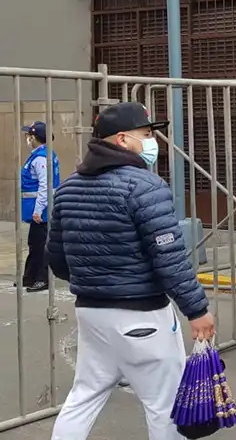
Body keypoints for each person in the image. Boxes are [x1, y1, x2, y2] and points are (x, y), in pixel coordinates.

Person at [47, 102, 215, 438]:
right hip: (141, 316)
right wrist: (197, 310)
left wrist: (94, 278)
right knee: (164, 404)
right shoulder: (144, 186)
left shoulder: (69, 186)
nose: (152, 141)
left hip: (91, 313)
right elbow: (170, 257)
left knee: (84, 396)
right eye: (147, 134)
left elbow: (57, 259)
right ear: (123, 139)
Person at [19, 121, 60, 292]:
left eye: (29, 135)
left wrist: (38, 210)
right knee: (35, 244)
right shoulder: (39, 154)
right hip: (38, 209)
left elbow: (45, 186)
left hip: (41, 210)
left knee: (41, 245)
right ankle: (30, 277)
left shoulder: (42, 158)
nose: (27, 138)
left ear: (35, 137)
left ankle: (42, 279)